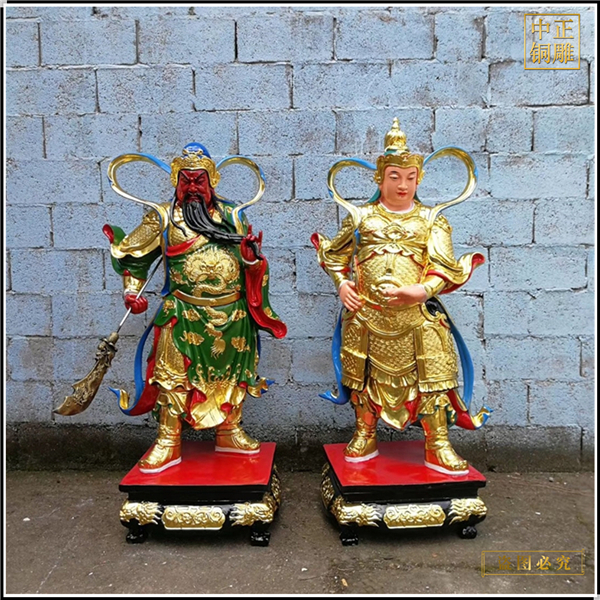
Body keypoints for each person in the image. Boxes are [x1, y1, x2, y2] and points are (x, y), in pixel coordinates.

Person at [312, 119, 490, 475]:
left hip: (417, 318)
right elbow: (334, 256)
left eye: (410, 177)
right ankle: (365, 433)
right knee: (363, 378)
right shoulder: (361, 217)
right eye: (395, 176)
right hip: (367, 316)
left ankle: (437, 444)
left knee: (434, 380)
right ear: (380, 179)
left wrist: (422, 290)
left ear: (419, 179)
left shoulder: (431, 220)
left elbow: (443, 267)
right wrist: (342, 284)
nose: (403, 185)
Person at [104, 143, 287, 473]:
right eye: (185, 180)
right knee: (172, 377)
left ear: (211, 181)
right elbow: (134, 260)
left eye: (198, 180)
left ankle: (229, 431)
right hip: (182, 314)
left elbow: (251, 261)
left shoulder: (233, 216)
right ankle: (168, 440)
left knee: (233, 375)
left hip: (233, 316)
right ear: (176, 181)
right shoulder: (162, 218)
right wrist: (131, 291)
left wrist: (251, 259)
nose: (192, 187)